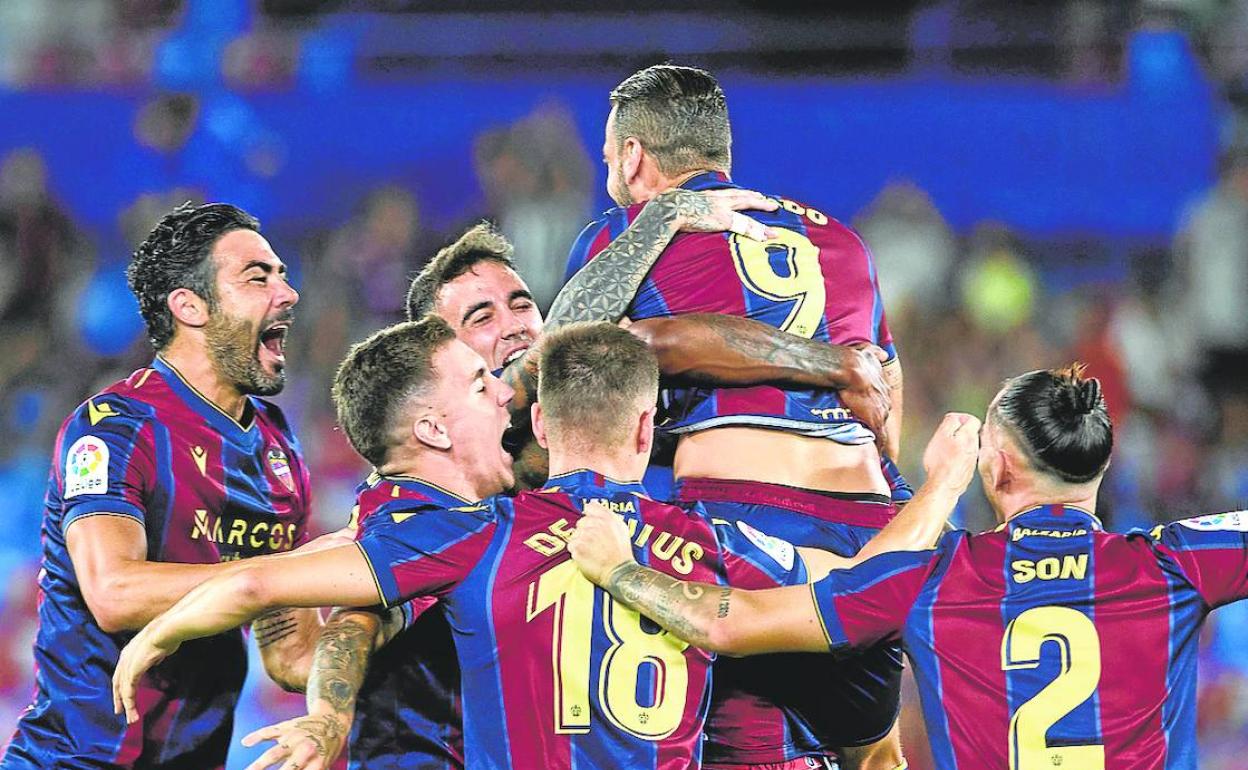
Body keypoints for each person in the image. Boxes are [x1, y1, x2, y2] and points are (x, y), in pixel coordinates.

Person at [113, 321, 944, 770]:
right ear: (648, 427)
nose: (501, 391)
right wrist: (934, 480)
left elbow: (265, 586)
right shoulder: (712, 539)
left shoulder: (473, 535)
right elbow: (861, 590)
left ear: (542, 424)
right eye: (481, 379)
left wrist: (159, 633)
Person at [247, 208, 894, 767]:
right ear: (442, 368)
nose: (520, 328)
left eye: (523, 304)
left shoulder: (618, 469)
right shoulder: (432, 500)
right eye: (482, 317)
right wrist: (325, 704)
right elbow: (347, 625)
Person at [568, 365, 1248, 769]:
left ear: (997, 464)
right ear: (1098, 463)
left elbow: (729, 623)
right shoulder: (1174, 564)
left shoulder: (935, 577)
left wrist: (619, 569)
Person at [564, 63, 908, 769]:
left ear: (633, 156)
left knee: (742, 744)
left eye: (608, 157)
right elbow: (885, 398)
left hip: (745, 513)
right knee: (865, 750)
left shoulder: (626, 234)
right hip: (869, 515)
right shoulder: (843, 242)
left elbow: (566, 355)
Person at [1, 203, 327, 769]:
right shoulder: (115, 428)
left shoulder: (279, 446)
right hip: (79, 760)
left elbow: (291, 650)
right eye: (258, 277)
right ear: (190, 306)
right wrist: (266, 579)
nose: (289, 292)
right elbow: (113, 593)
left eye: (282, 273)